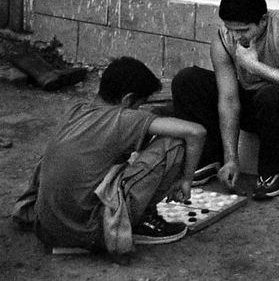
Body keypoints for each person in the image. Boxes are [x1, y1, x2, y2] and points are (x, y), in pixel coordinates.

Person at [12, 56, 205, 254]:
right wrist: (186, 180)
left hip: (48, 228)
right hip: (91, 230)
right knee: (174, 142)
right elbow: (196, 132)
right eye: (139, 105)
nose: (139, 110)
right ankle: (139, 222)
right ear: (128, 100)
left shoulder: (76, 110)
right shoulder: (123, 118)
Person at [172, 0, 279, 201]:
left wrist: (255, 66)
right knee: (188, 80)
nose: (235, 36)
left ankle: (272, 171)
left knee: (270, 96)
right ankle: (210, 158)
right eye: (230, 29)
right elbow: (229, 99)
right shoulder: (224, 39)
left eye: (243, 31)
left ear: (263, 21)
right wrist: (232, 158)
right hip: (255, 106)